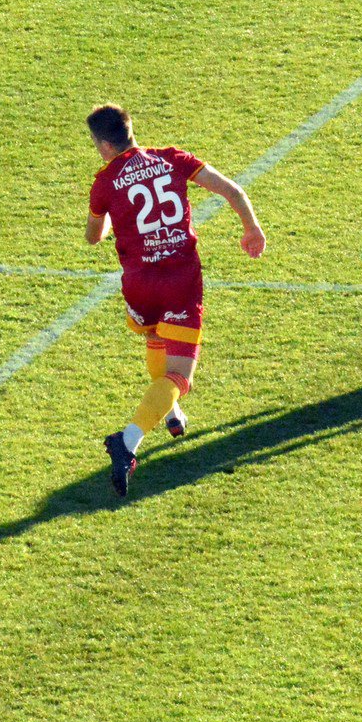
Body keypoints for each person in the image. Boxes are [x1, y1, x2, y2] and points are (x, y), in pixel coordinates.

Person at [84, 103, 266, 496]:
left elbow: (94, 236)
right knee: (180, 375)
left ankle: (171, 413)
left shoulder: (105, 181)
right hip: (180, 281)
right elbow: (232, 190)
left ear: (104, 146)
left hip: (139, 284)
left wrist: (114, 213)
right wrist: (251, 228)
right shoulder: (172, 159)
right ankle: (127, 441)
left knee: (156, 339)